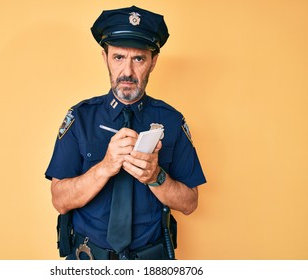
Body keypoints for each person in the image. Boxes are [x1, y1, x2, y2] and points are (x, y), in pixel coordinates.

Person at [45, 5, 206, 260]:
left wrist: (155, 176)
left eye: (139, 59)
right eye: (119, 57)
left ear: (153, 62)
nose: (127, 72)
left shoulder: (172, 121)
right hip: (88, 260)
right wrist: (105, 167)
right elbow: (59, 200)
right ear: (105, 58)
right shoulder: (80, 117)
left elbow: (190, 203)